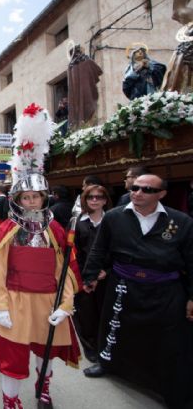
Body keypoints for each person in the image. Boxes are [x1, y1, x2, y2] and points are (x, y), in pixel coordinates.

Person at [0, 104, 81, 409]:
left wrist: (65, 305)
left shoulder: (54, 228)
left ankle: (44, 388)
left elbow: (64, 269)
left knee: (46, 350)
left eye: (36, 196)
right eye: (26, 196)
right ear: (17, 199)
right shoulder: (9, 228)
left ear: (44, 197)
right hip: (13, 300)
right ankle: (11, 401)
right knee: (12, 355)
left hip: (47, 300)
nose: (31, 200)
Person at [82, 174, 193, 409]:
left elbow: (192, 261)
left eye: (146, 189)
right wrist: (90, 275)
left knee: (170, 341)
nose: (138, 192)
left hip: (165, 290)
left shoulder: (181, 222)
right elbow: (99, 249)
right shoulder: (114, 217)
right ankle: (107, 363)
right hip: (123, 284)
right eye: (134, 188)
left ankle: (170, 387)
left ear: (161, 194)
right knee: (114, 326)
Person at [72, 185, 111, 363]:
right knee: (85, 314)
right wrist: (84, 276)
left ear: (105, 200)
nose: (94, 200)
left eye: (99, 197)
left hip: (107, 277)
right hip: (83, 276)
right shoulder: (77, 222)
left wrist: (106, 270)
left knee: (105, 314)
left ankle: (105, 347)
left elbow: (119, 249)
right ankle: (90, 348)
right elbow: (73, 251)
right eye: (90, 197)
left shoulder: (112, 221)